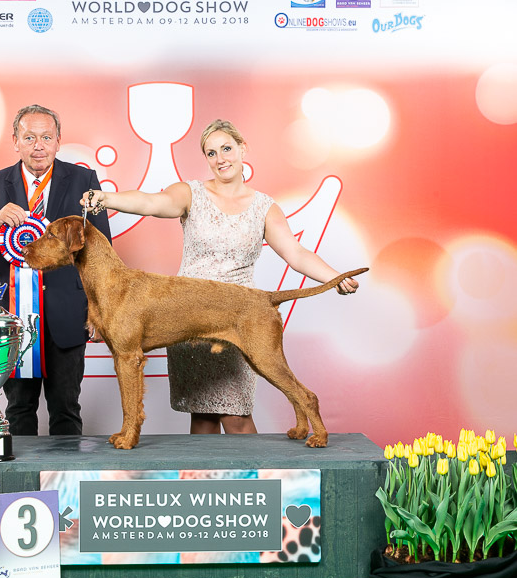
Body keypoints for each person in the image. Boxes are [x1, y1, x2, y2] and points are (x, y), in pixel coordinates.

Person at [82, 119, 357, 435]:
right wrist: (107, 198)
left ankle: (267, 463)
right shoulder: (190, 193)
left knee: (237, 419)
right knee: (202, 419)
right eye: (211, 153)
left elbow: (296, 253)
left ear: (242, 148)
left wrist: (335, 277)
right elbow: (151, 202)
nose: (220, 159)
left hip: (239, 313)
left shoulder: (264, 207)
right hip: (185, 313)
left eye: (226, 148)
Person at [0, 104, 111, 436]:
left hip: (68, 313)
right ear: (15, 141)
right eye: (29, 137)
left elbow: (100, 253)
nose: (38, 146)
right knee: (18, 410)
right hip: (13, 321)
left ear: (58, 141)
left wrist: (98, 310)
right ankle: (24, 473)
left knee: (66, 409)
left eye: (46, 137)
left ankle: (66, 473)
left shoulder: (84, 180)